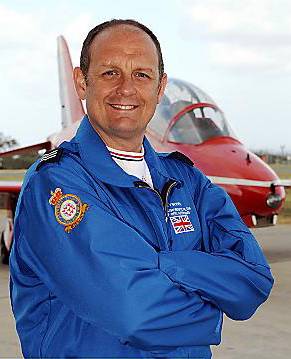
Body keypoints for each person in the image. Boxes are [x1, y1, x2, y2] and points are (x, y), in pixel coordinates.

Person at [10, 19, 274, 359]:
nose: (126, 89)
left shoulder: (186, 180)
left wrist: (162, 265)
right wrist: (212, 299)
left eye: (141, 75)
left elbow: (253, 279)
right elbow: (135, 313)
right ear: (81, 82)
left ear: (159, 87)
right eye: (109, 73)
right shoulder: (56, 183)